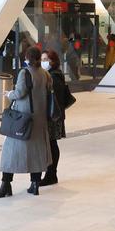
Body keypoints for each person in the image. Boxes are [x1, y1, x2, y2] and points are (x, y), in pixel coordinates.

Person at [0, 46, 52, 198]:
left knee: (10, 152)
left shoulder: (24, 72)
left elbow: (19, 93)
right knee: (37, 152)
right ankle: (34, 184)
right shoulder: (45, 74)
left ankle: (6, 185)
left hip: (23, 119)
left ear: (27, 58)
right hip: (39, 119)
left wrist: (9, 94)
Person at [42, 49, 73, 186]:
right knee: (51, 144)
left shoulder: (54, 76)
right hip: (53, 115)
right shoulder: (52, 75)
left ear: (53, 62)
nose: (42, 62)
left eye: (45, 60)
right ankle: (51, 173)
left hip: (53, 116)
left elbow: (55, 98)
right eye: (41, 60)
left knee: (52, 144)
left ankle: (51, 174)